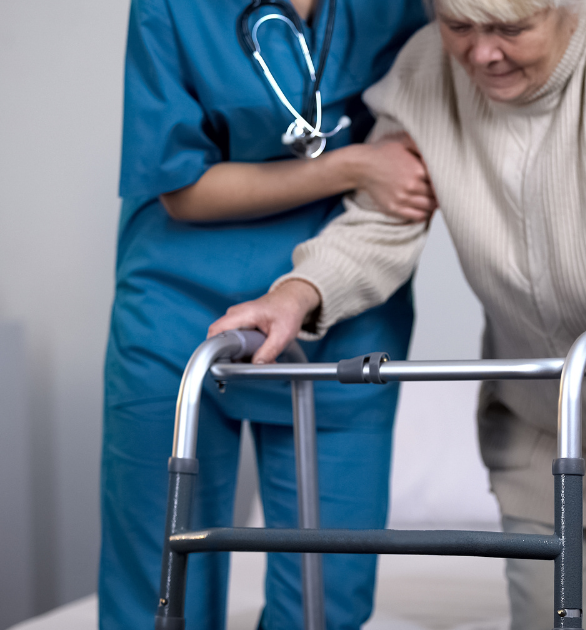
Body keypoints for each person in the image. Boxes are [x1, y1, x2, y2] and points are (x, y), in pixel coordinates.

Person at [207, 0, 586, 628]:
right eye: (459, 26)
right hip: (550, 414)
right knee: (547, 616)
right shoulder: (424, 74)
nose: (482, 54)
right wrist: (298, 292)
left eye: (510, 29)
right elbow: (385, 219)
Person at [101, 1, 436, 629]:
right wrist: (352, 164)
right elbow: (179, 187)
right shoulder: (173, 8)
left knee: (325, 599)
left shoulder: (401, 7)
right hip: (179, 309)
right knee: (158, 589)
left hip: (341, 311)